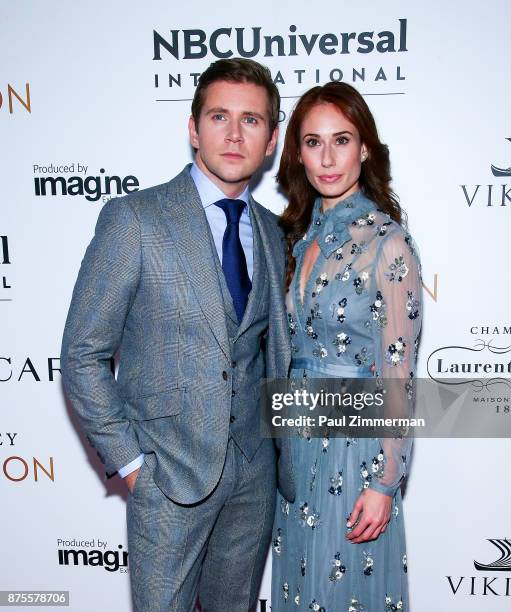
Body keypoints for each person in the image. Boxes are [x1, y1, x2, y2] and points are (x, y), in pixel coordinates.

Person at [60, 57, 295, 612]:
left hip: (254, 479)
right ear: (193, 128)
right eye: (219, 116)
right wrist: (133, 466)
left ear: (272, 140)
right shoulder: (135, 219)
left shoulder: (270, 229)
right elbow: (82, 353)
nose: (234, 134)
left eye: (252, 121)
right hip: (167, 479)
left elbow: (267, 354)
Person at [271, 82, 422, 611]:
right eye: (313, 142)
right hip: (296, 448)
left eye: (342, 139)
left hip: (356, 450)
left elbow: (399, 372)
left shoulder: (388, 242)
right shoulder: (295, 237)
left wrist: (385, 481)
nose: (328, 157)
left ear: (365, 149)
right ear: (298, 153)